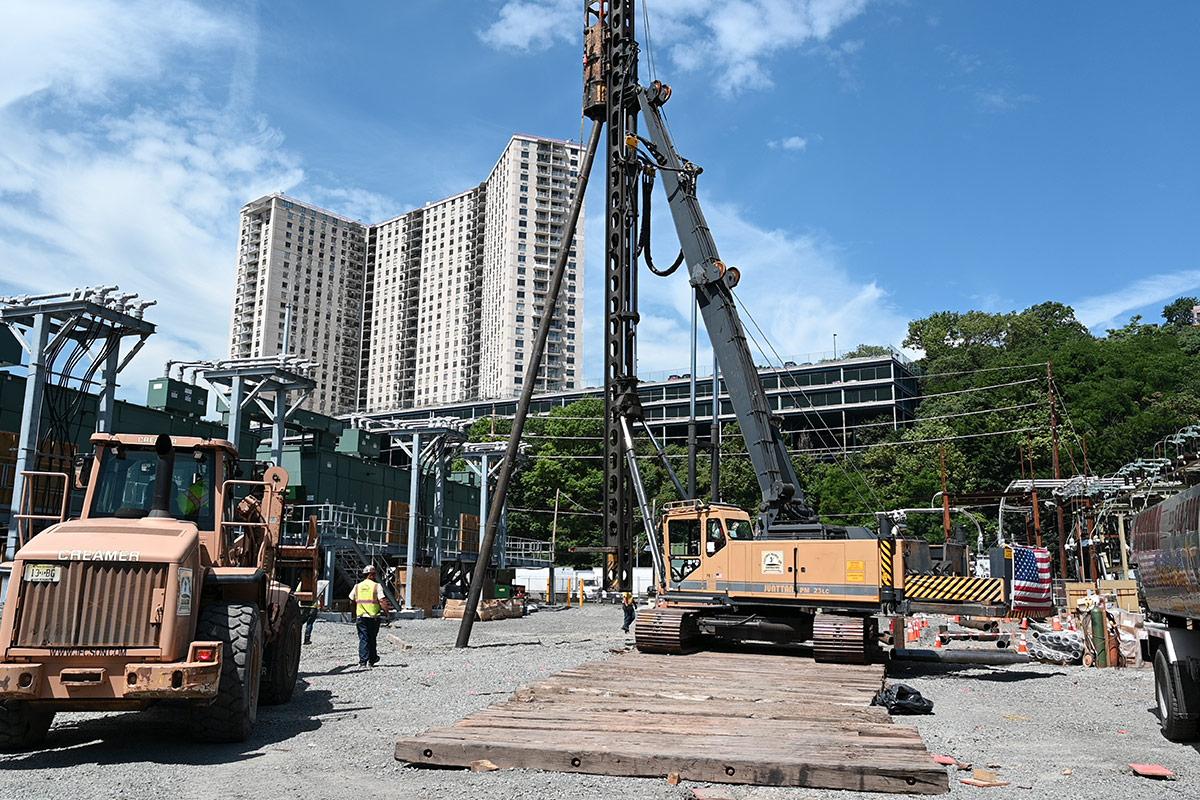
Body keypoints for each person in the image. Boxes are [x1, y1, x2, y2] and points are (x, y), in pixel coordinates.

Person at [350, 566, 388, 667]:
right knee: (372, 638)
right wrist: (387, 613)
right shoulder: (377, 586)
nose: (375, 576)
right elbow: (382, 601)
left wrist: (354, 614)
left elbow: (351, 600)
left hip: (361, 617)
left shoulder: (357, 586)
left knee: (363, 638)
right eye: (374, 574)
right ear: (371, 575)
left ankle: (363, 662)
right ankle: (372, 659)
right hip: (373, 617)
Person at [299, 578, 330, 645]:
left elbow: (297, 593)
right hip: (313, 607)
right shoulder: (317, 584)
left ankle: (297, 638)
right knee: (309, 624)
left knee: (299, 623)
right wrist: (322, 607)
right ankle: (306, 640)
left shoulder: (302, 583)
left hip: (303, 606)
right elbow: (320, 596)